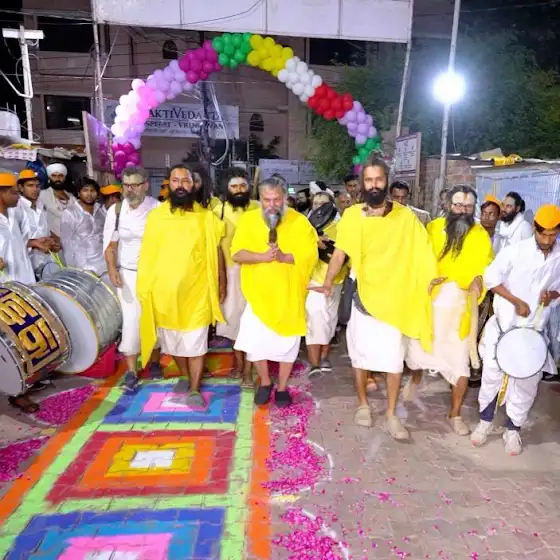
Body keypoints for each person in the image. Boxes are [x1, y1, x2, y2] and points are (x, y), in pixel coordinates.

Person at [316, 156, 436, 438]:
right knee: (360, 357)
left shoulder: (405, 217)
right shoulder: (352, 215)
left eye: (378, 179)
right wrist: (328, 281)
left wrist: (431, 279)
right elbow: (340, 253)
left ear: (386, 181)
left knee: (393, 361)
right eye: (368, 180)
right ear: (362, 183)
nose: (373, 185)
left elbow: (423, 251)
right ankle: (363, 405)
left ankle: (392, 414)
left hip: (396, 300)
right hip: (364, 298)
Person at [471, 204, 560, 455]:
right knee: (491, 376)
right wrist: (516, 301)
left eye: (553, 235)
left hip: (533, 333)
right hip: (504, 327)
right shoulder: (516, 251)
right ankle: (485, 422)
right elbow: (491, 280)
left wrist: (552, 295)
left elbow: (558, 289)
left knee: (526, 383)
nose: (547, 240)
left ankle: (513, 430)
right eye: (543, 234)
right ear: (535, 229)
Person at [406, 186, 494, 435]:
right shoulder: (433, 228)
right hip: (431, 309)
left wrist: (479, 279)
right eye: (458, 205)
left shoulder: (480, 235)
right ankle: (415, 379)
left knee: (461, 366)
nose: (463, 210)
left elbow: (487, 266)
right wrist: (427, 280)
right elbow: (420, 260)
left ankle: (455, 414)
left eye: (468, 206)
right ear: (448, 205)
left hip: (461, 313)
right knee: (417, 354)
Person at [137, 163, 226, 407]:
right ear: (168, 184)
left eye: (185, 181)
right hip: (165, 294)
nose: (180, 185)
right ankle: (186, 377)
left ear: (193, 185)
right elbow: (147, 255)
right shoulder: (156, 218)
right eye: (176, 181)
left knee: (196, 344)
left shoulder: (206, 218)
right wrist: (145, 288)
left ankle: (195, 389)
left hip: (197, 292)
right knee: (173, 343)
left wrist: (222, 282)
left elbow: (217, 251)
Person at [232, 175, 318, 407]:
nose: (272, 205)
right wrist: (262, 257)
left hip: (289, 295)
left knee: (287, 345)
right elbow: (236, 253)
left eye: (276, 200)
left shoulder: (299, 222)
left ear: (285, 199)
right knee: (255, 343)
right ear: (260, 199)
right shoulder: (249, 220)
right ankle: (265, 382)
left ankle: (282, 387)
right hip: (257, 296)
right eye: (267, 200)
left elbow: (310, 256)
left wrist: (283, 257)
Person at [103, 167, 162, 391]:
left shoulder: (158, 209)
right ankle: (131, 370)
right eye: (126, 185)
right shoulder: (116, 211)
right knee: (130, 322)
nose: (130, 190)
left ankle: (154, 362)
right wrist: (112, 268)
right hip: (127, 275)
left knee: (153, 319)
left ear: (146, 185)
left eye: (135, 185)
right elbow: (111, 245)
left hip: (154, 274)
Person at [210, 167, 259, 387]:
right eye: (234, 186)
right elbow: (217, 250)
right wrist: (222, 282)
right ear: (227, 189)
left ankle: (248, 371)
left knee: (253, 324)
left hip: (257, 273)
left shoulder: (259, 208)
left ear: (248, 187)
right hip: (230, 275)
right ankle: (239, 365)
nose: (239, 190)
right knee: (233, 325)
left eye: (242, 186)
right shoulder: (218, 212)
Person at [0, 171, 42, 412]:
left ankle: (23, 385)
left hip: (24, 284)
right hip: (5, 291)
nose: (18, 196)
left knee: (24, 339)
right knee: (11, 343)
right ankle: (17, 392)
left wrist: (34, 243)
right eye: (14, 193)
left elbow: (19, 242)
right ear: (1, 194)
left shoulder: (13, 214)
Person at [306, 195, 348, 375]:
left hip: (336, 283)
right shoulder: (306, 228)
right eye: (315, 203)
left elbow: (344, 256)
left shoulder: (342, 227)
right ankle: (314, 364)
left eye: (323, 203)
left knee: (329, 323)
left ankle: (324, 358)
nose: (319, 207)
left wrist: (328, 247)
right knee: (315, 323)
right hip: (315, 282)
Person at [17, 170, 61, 280]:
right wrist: (34, 243)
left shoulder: (41, 205)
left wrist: (54, 242)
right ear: (21, 188)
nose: (35, 189)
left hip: (45, 263)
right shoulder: (15, 208)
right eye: (30, 185)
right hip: (26, 265)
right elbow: (11, 239)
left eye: (37, 186)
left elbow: (46, 231)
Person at [60, 177, 107, 276]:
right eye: (85, 190)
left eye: (92, 190)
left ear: (97, 194)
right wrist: (72, 271)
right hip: (83, 267)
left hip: (104, 265)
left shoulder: (101, 211)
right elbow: (66, 245)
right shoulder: (69, 213)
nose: (89, 194)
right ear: (78, 193)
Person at [39, 163, 76, 254]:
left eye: (60, 176)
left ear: (64, 178)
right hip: (53, 243)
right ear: (49, 178)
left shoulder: (71, 198)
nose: (57, 179)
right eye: (54, 176)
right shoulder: (42, 195)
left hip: (73, 242)